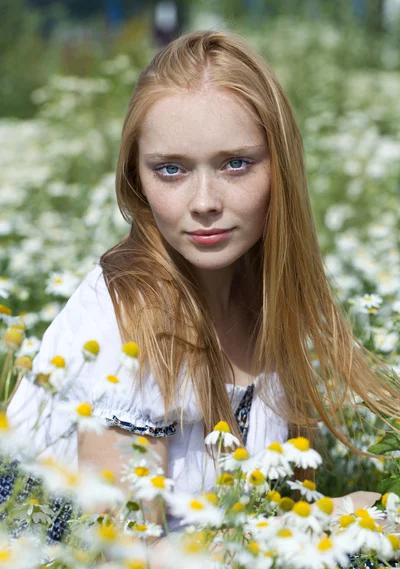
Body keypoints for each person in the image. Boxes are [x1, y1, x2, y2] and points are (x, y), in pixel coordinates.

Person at [6, 30, 399, 542]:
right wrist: (329, 527)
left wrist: (331, 516)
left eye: (236, 163)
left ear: (281, 166)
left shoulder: (268, 298)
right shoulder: (124, 323)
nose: (205, 201)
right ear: (137, 180)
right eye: (171, 170)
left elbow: (253, 521)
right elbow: (118, 568)